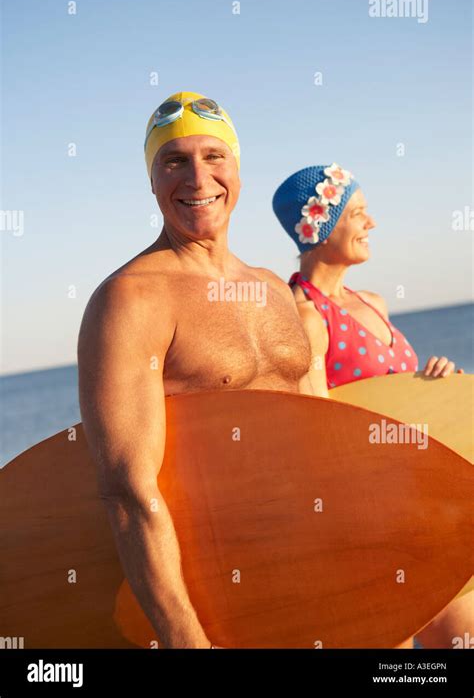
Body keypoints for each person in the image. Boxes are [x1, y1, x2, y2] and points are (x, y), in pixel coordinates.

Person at [77, 91, 313, 649]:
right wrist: (188, 640)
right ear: (153, 180)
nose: (198, 177)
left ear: (236, 167)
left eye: (213, 156)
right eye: (174, 161)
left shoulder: (276, 290)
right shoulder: (132, 299)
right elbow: (128, 492)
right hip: (211, 598)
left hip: (311, 573)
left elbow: (320, 435)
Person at [272, 162, 470, 648]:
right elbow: (316, 437)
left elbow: (394, 396)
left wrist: (442, 386)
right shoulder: (305, 317)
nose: (371, 223)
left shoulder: (374, 302)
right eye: (358, 213)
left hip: (428, 507)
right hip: (374, 527)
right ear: (319, 225)